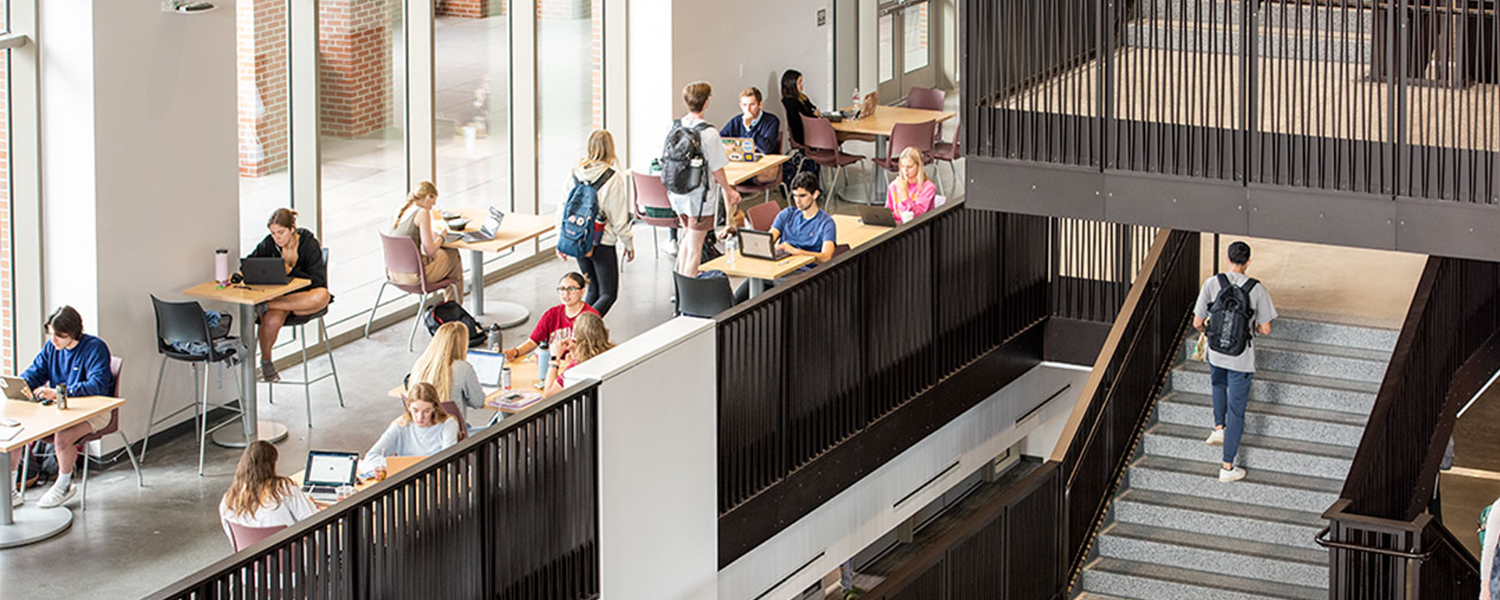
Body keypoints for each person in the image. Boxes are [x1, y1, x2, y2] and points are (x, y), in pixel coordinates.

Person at [8, 306, 115, 509]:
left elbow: (97, 385)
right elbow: (35, 373)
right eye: (51, 334)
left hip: (95, 412)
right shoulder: (52, 348)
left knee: (63, 436)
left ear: (73, 332)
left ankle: (65, 484)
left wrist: (58, 392)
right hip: (60, 410)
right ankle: (10, 489)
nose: (54, 340)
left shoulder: (95, 348)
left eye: (59, 335)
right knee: (18, 430)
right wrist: (20, 386)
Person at [1193, 241, 1277, 483]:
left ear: (1227, 259)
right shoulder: (1256, 289)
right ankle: (1227, 467)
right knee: (1237, 412)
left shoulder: (1213, 283)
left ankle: (1218, 428)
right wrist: (1253, 328)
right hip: (1241, 357)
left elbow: (1197, 323)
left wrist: (1211, 331)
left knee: (1218, 385)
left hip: (1215, 352)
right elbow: (1266, 329)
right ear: (1248, 262)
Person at [665, 81, 742, 276]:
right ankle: (687, 290)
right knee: (695, 249)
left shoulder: (674, 126)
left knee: (687, 239)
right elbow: (717, 169)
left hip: (677, 194)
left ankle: (680, 286)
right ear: (706, 102)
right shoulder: (708, 133)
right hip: (699, 199)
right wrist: (729, 190)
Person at [247, 208, 333, 382]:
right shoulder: (269, 244)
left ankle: (266, 305)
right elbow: (249, 263)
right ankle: (266, 361)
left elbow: (317, 280)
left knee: (322, 296)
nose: (277, 238)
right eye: (273, 233)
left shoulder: (308, 243)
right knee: (272, 321)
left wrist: (291, 272)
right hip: (281, 298)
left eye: (281, 232)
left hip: (303, 299)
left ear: (292, 228)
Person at [563, 130, 634, 316]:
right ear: (610, 149)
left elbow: (563, 208)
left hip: (578, 238)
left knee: (593, 287)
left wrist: (560, 240)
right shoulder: (612, 178)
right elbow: (619, 220)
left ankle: (579, 326)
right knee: (608, 294)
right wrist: (628, 243)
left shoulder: (575, 174)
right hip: (602, 241)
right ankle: (583, 328)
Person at [501, 273, 600, 383]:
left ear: (582, 291)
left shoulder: (590, 317)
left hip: (575, 370)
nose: (566, 294)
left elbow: (593, 351)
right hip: (552, 367)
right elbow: (533, 341)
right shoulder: (552, 314)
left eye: (571, 289)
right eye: (562, 289)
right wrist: (516, 352)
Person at [219, 440, 318, 533]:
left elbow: (233, 537)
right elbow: (312, 519)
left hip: (252, 546)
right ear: (271, 465)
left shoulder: (227, 501)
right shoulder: (283, 488)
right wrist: (308, 504)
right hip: (285, 545)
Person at [390, 181, 463, 304]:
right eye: (433, 202)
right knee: (453, 257)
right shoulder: (422, 213)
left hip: (395, 274)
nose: (432, 206)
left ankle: (450, 309)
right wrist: (442, 236)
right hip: (415, 277)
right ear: (429, 196)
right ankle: (453, 310)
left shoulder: (400, 210)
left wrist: (431, 234)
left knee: (444, 255)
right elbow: (430, 250)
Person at [410, 321, 487, 422]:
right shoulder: (463, 368)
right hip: (453, 429)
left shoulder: (421, 364)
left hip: (423, 429)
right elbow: (478, 402)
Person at [366, 382, 461, 460]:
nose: (420, 417)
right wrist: (391, 466)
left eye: (426, 411)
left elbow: (449, 462)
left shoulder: (448, 425)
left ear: (434, 408)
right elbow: (371, 457)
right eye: (415, 410)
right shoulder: (400, 425)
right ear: (408, 407)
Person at [720, 87, 782, 184]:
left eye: (752, 105)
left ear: (760, 104)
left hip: (761, 166)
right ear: (740, 105)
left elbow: (766, 149)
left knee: (768, 173)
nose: (748, 109)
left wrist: (749, 128)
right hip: (741, 165)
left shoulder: (772, 121)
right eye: (744, 105)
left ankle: (742, 182)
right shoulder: (736, 121)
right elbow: (721, 140)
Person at [771, 172, 838, 263]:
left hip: (805, 269)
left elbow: (826, 257)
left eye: (802, 196)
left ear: (815, 194)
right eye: (795, 196)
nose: (797, 201)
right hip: (782, 265)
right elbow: (768, 240)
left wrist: (795, 251)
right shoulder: (786, 214)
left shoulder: (826, 223)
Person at [543, 312, 615, 395]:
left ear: (576, 337)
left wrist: (554, 358)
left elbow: (548, 393)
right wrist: (575, 350)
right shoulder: (612, 352)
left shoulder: (578, 365)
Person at [885, 146, 937, 225]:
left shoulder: (928, 187)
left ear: (918, 166)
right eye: (902, 166)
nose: (905, 170)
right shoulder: (894, 185)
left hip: (918, 227)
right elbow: (888, 211)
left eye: (909, 167)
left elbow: (918, 215)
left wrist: (905, 195)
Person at [780, 69, 821, 147]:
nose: (802, 85)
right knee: (833, 134)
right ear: (791, 84)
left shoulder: (802, 97)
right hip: (804, 134)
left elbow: (812, 108)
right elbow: (802, 118)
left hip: (811, 129)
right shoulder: (790, 102)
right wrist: (814, 115)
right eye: (799, 83)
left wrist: (814, 113)